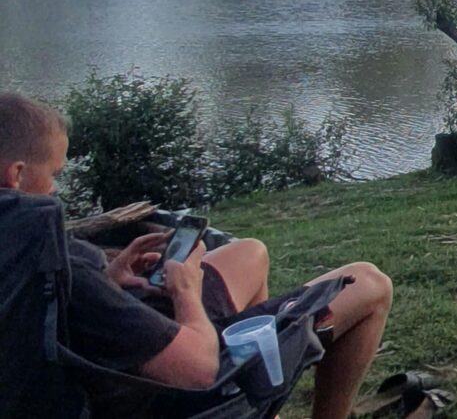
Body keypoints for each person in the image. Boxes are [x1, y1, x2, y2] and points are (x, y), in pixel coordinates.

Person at [0, 92, 392, 419]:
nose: (55, 190)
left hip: (107, 349)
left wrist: (109, 277)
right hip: (156, 392)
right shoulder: (48, 261)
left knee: (250, 253)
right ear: (16, 175)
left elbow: (47, 315)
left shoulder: (20, 248)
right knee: (370, 282)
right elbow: (199, 370)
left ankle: (259, 395)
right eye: (54, 173)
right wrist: (187, 290)